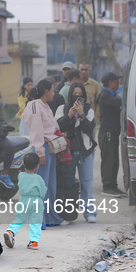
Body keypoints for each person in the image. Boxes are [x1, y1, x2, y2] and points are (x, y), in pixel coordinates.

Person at [22, 79, 68, 228]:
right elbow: (36, 130)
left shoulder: (45, 106)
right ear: (46, 91)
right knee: (40, 188)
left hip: (49, 149)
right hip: (42, 150)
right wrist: (40, 153)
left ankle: (50, 218)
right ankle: (39, 220)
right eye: (53, 90)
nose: (54, 93)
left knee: (49, 186)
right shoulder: (35, 106)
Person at [55, 82, 98, 222]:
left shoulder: (89, 110)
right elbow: (59, 128)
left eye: (80, 94)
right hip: (67, 152)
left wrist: (81, 114)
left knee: (86, 182)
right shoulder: (62, 108)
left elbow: (88, 128)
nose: (77, 97)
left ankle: (89, 212)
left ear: (84, 96)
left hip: (84, 151)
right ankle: (68, 214)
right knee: (68, 183)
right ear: (70, 94)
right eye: (75, 94)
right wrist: (69, 115)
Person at [2, 153, 47, 250]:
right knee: (35, 222)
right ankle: (34, 242)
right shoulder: (38, 178)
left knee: (19, 220)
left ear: (23, 164)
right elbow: (43, 190)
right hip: (36, 201)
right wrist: (41, 197)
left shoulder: (21, 175)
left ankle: (10, 232)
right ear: (37, 165)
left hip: (23, 200)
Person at [98, 72, 126, 197]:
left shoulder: (111, 95)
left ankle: (113, 186)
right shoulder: (105, 95)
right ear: (110, 82)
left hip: (113, 133)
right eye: (116, 80)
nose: (118, 82)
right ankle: (107, 187)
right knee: (109, 161)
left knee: (114, 161)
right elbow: (121, 102)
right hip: (107, 133)